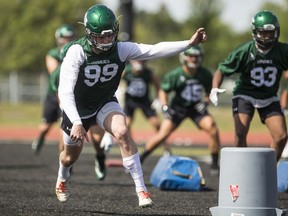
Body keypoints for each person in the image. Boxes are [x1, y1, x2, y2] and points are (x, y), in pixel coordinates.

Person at [55, 4, 207, 207]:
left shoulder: (121, 48)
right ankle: (63, 178)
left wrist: (188, 43)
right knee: (68, 158)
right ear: (90, 34)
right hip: (77, 108)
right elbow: (64, 92)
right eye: (101, 37)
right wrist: (76, 121)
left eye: (110, 36)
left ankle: (141, 190)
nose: (107, 41)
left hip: (104, 101)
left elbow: (153, 50)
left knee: (122, 131)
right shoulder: (77, 52)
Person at [209, 10, 288, 162]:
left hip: (269, 96)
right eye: (264, 33)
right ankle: (241, 169)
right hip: (245, 95)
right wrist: (214, 87)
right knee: (240, 132)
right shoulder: (245, 51)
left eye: (271, 32)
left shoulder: (283, 50)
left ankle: (267, 169)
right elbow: (221, 70)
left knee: (281, 136)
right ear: (255, 32)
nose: (268, 36)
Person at [139, 45, 221, 173]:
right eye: (191, 56)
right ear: (184, 57)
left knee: (213, 128)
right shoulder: (176, 74)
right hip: (178, 108)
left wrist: (206, 101)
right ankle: (140, 158)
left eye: (196, 56)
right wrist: (164, 106)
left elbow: (210, 92)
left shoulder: (204, 74)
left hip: (196, 108)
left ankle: (215, 164)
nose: (193, 59)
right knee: (162, 134)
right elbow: (163, 91)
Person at [31, 24, 76, 155]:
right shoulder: (53, 54)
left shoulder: (78, 52)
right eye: (65, 37)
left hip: (70, 95)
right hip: (54, 93)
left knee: (65, 130)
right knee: (45, 127)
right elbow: (56, 74)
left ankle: (66, 160)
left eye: (70, 37)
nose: (68, 40)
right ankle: (40, 138)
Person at [122, 60, 171, 155]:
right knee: (126, 125)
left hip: (144, 102)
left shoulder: (148, 73)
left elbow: (158, 86)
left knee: (156, 123)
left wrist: (158, 99)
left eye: (142, 61)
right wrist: (119, 91)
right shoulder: (126, 71)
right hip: (130, 102)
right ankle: (130, 148)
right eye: (137, 60)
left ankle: (166, 148)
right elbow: (116, 81)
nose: (139, 63)